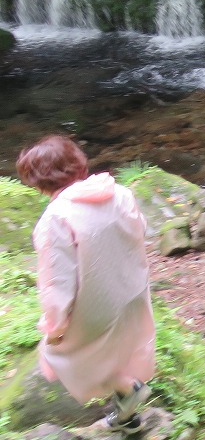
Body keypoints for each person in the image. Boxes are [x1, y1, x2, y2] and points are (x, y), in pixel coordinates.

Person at [17, 135, 155, 434]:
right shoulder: (118, 191)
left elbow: (57, 281)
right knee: (116, 350)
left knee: (64, 355)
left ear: (39, 180)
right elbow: (140, 229)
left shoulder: (56, 217)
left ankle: (128, 388)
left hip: (97, 305)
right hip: (132, 292)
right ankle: (126, 418)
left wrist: (55, 327)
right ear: (77, 162)